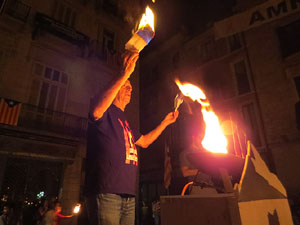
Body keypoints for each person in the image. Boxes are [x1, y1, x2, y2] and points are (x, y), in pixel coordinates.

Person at [84, 50, 179, 225]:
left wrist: (165, 123)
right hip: (106, 191)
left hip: (128, 195)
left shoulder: (125, 121)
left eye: (131, 88)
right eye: (126, 86)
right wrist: (124, 73)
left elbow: (145, 141)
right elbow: (96, 112)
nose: (130, 90)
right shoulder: (105, 109)